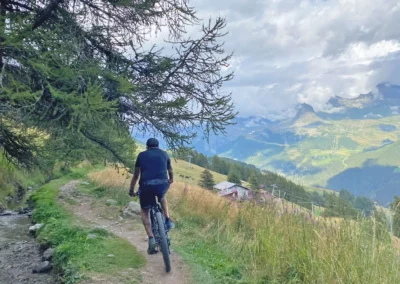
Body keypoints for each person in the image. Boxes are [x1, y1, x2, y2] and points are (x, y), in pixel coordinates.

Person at [129, 138, 175, 254]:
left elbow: (136, 175)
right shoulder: (164, 154)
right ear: (158, 146)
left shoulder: (141, 155)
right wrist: (171, 180)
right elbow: (170, 170)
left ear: (147, 147)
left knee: (145, 210)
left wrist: (131, 190)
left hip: (146, 185)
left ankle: (151, 238)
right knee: (162, 196)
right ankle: (168, 219)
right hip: (162, 184)